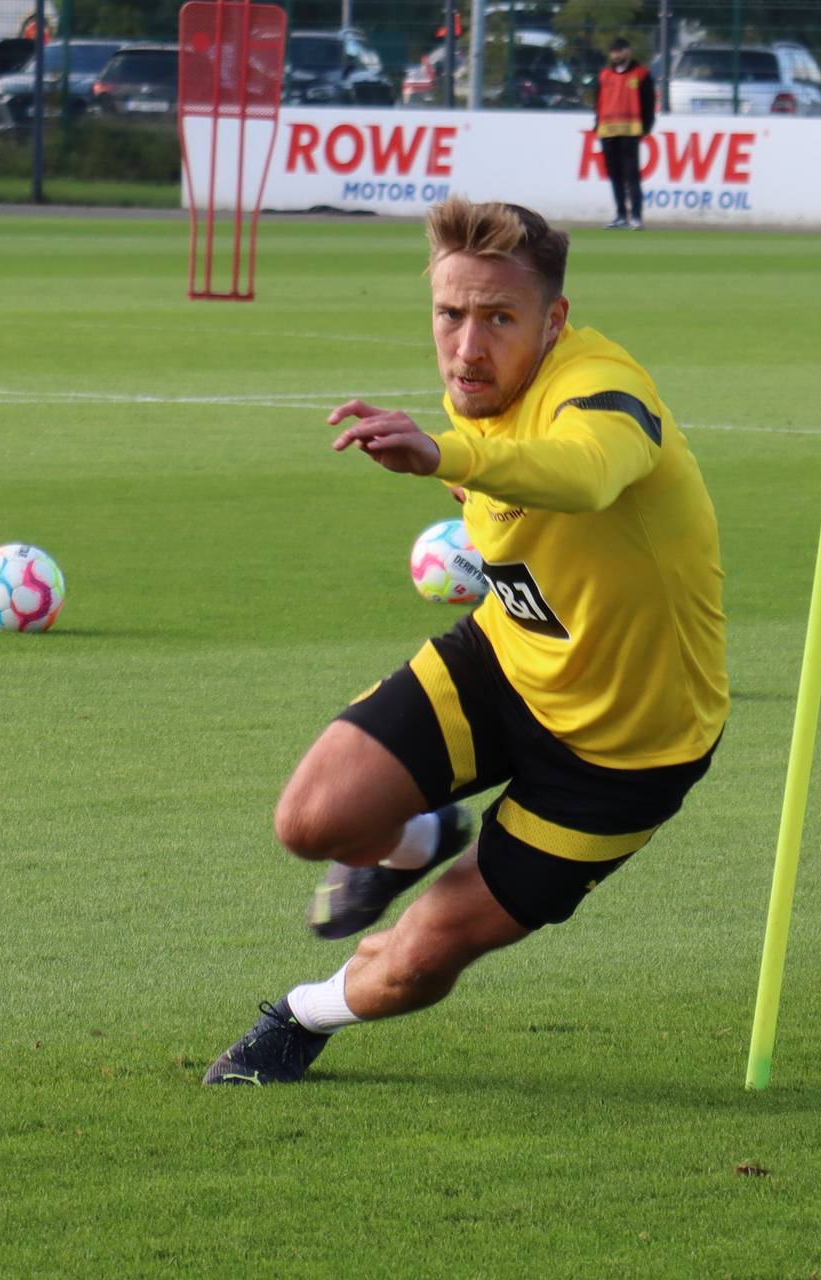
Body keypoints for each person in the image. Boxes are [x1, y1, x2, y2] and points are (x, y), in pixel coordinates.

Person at [204, 198, 727, 1086]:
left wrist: (446, 456)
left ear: (554, 321)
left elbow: (586, 475)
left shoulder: (605, 389)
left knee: (415, 961)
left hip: (623, 755)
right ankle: (421, 837)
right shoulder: (476, 396)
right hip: (507, 661)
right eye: (450, 314)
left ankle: (299, 1016)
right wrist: (458, 459)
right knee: (312, 822)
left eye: (499, 318)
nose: (468, 347)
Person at [593, 37, 657, 229]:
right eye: (613, 51)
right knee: (615, 175)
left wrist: (646, 127)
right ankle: (621, 215)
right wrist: (597, 124)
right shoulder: (604, 75)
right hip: (608, 131)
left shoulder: (641, 74)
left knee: (631, 175)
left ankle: (636, 216)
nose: (616, 55)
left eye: (619, 51)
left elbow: (649, 103)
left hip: (630, 131)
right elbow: (598, 102)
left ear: (628, 51)